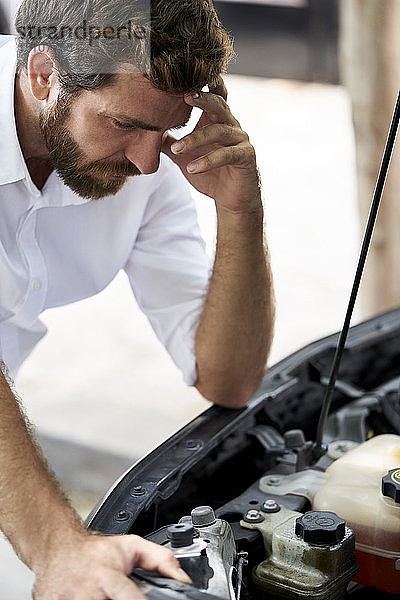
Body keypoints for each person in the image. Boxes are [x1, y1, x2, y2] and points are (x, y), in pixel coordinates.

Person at [0, 0, 275, 598]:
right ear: (44, 75)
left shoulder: (142, 167)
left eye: (165, 130)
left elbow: (227, 380)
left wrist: (240, 210)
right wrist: (58, 547)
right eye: (126, 124)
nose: (149, 162)